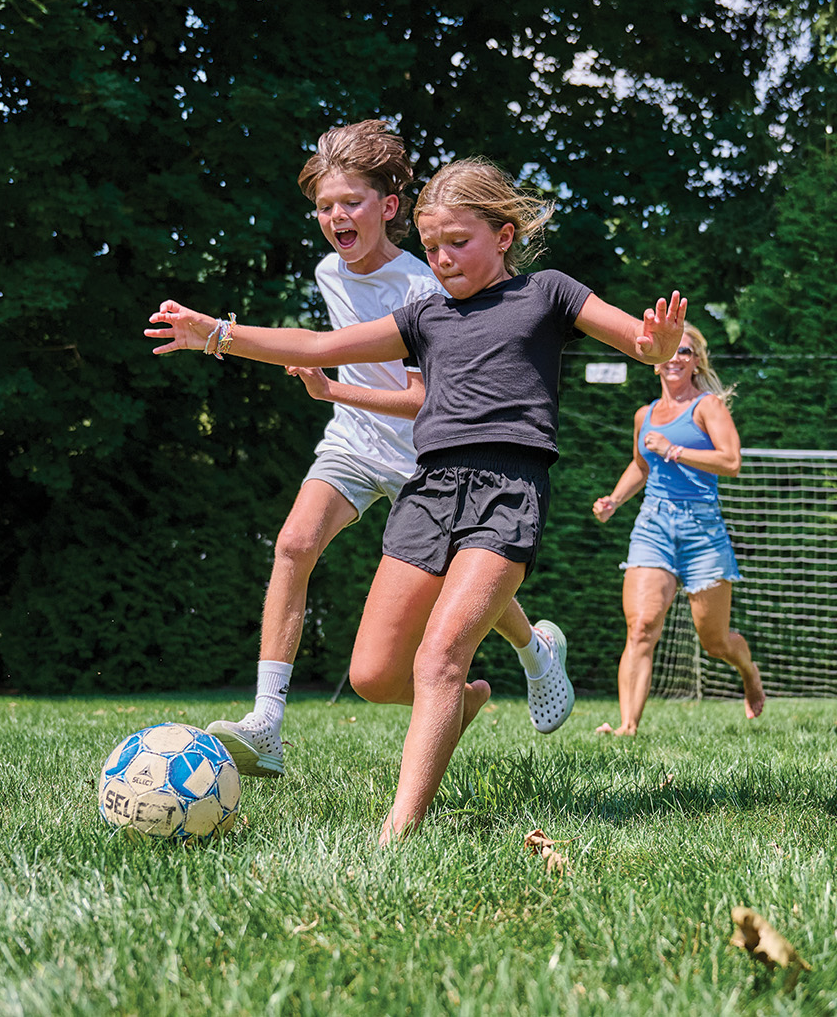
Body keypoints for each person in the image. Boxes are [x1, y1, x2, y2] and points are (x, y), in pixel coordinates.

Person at [148, 158, 687, 841]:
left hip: (506, 488)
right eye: (431, 247)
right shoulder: (424, 316)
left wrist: (657, 344)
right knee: (375, 674)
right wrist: (218, 334)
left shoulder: (547, 294)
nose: (442, 259)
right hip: (429, 491)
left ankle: (397, 832)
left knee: (437, 655)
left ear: (503, 234)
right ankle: (457, 702)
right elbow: (319, 344)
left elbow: (638, 340)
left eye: (457, 243)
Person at [202, 122, 570, 780]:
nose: (336, 216)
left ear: (389, 207)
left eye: (351, 202)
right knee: (292, 544)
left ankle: (535, 650)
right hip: (351, 442)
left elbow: (428, 398)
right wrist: (233, 340)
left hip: (431, 457)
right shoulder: (326, 271)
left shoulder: (424, 285)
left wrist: (335, 389)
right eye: (324, 206)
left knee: (474, 581)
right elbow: (322, 346)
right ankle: (266, 722)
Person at [590, 324, 765, 734]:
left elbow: (731, 461)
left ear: (696, 361)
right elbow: (641, 465)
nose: (675, 357)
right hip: (653, 524)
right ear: (655, 362)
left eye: (684, 351)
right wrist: (615, 500)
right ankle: (627, 726)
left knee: (715, 642)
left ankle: (749, 671)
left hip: (703, 530)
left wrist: (676, 450)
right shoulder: (644, 415)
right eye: (668, 350)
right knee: (642, 626)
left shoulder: (708, 407)